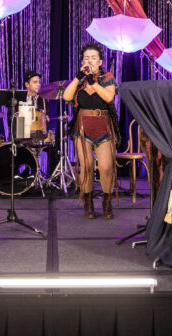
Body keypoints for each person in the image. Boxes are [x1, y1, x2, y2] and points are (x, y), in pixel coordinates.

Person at [63, 43, 119, 219]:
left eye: (93, 58)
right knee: (86, 167)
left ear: (100, 61)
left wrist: (93, 82)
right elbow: (67, 96)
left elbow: (109, 97)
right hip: (82, 127)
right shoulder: (80, 80)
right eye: (86, 58)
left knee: (105, 167)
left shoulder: (107, 77)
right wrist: (79, 77)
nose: (90, 61)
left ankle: (107, 201)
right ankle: (88, 202)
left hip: (103, 125)